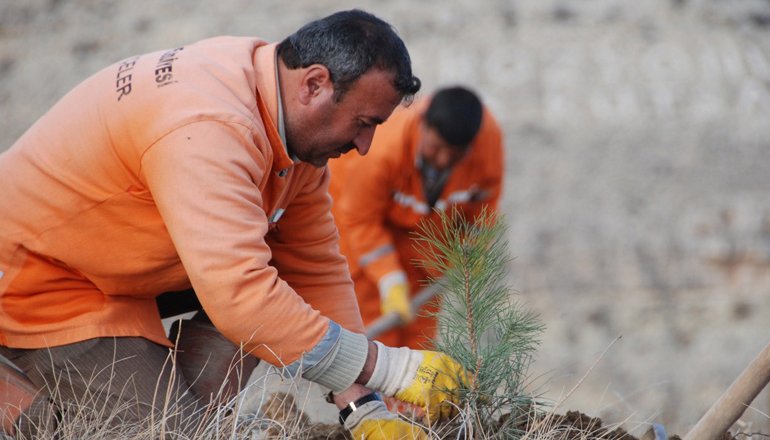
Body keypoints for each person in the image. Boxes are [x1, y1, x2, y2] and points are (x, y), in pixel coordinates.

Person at [0, 9, 467, 439]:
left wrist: (363, 406)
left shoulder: (284, 123)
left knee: (258, 307)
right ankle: (16, 393)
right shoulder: (210, 124)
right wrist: (392, 369)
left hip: (109, 268)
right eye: (363, 123)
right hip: (38, 280)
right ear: (315, 85)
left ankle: (172, 409)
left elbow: (314, 270)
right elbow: (239, 297)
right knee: (164, 432)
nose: (365, 145)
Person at [328, 86, 504, 350]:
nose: (443, 160)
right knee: (378, 338)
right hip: (362, 227)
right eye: (436, 149)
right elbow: (360, 220)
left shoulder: (486, 145)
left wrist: (474, 249)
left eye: (454, 156)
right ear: (423, 127)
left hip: (428, 241)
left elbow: (484, 206)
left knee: (420, 340)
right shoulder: (380, 151)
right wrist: (389, 279)